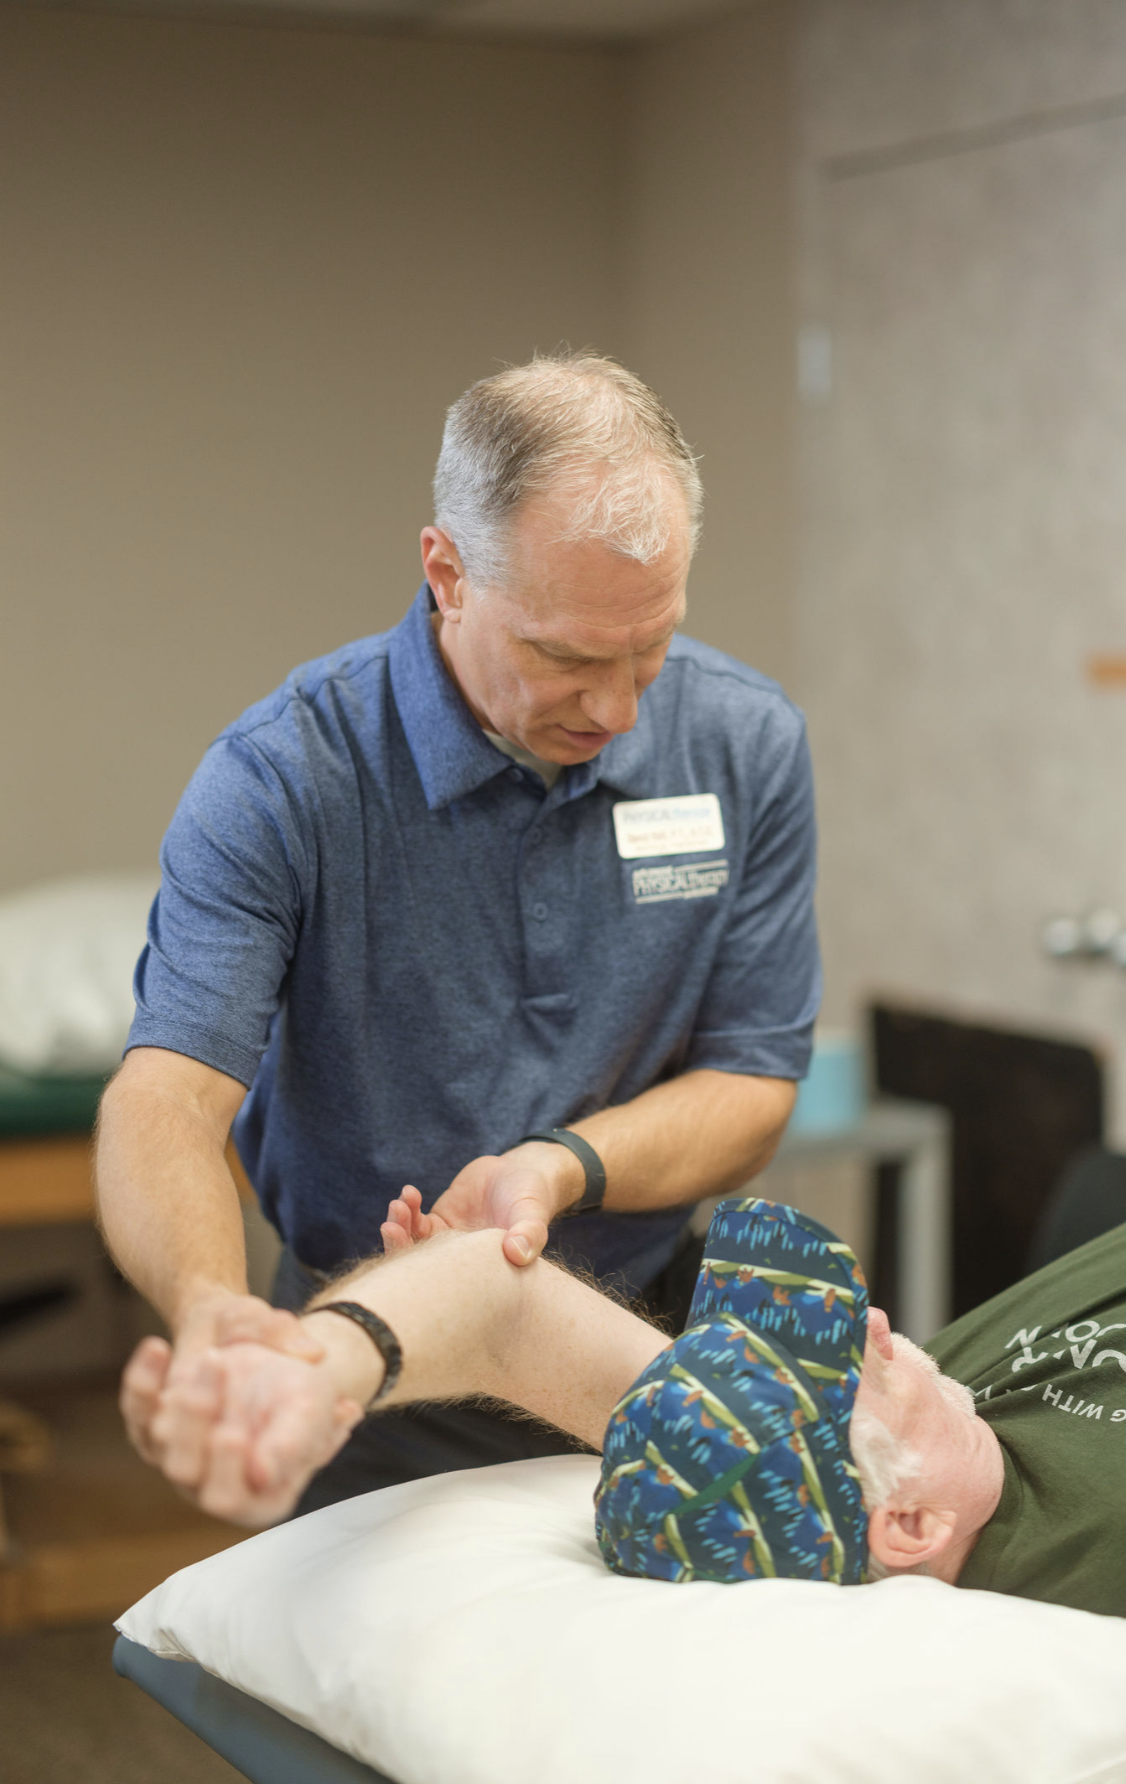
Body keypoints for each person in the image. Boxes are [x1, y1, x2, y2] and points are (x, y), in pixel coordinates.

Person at [98, 353, 820, 1510]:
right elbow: (168, 1096)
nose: (619, 707)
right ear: (448, 572)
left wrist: (557, 1167)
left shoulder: (744, 744)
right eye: (568, 656)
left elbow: (753, 1079)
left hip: (641, 1344)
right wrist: (209, 1309)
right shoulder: (286, 777)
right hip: (361, 1368)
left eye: (652, 646)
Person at [126, 1183, 1126, 1714]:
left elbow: (500, 1299)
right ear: (905, 1527)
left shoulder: (880, 1432)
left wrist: (312, 1370)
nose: (874, 1321)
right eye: (852, 1359)